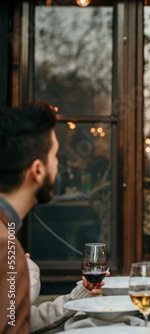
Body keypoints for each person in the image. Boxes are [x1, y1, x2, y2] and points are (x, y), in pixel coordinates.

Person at [0, 101, 104, 333]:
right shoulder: (3, 243)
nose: (58, 165)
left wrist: (78, 296)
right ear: (37, 170)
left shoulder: (7, 232)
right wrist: (25, 275)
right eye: (54, 156)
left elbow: (18, 319)